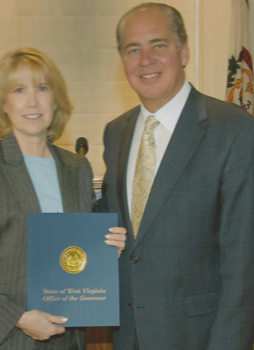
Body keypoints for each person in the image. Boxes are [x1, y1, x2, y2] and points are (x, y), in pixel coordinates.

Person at [95, 3, 254, 350]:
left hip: (198, 337)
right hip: (128, 335)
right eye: (133, 50)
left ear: (183, 52)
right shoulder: (115, 132)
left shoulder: (233, 130)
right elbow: (114, 226)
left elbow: (242, 263)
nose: (145, 59)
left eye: (159, 45)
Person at [0, 47, 126, 350]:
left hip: (66, 339)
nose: (32, 101)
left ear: (55, 99)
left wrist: (108, 248)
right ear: (3, 103)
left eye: (42, 88)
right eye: (19, 89)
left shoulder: (77, 168)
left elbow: (78, 252)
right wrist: (16, 317)